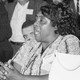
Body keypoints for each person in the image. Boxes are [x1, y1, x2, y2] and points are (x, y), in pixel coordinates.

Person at [0, 3, 80, 80]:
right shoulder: (31, 43)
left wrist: (21, 78)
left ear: (56, 25)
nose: (35, 24)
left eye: (41, 21)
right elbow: (15, 69)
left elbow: (64, 76)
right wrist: (6, 73)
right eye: (36, 19)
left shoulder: (68, 42)